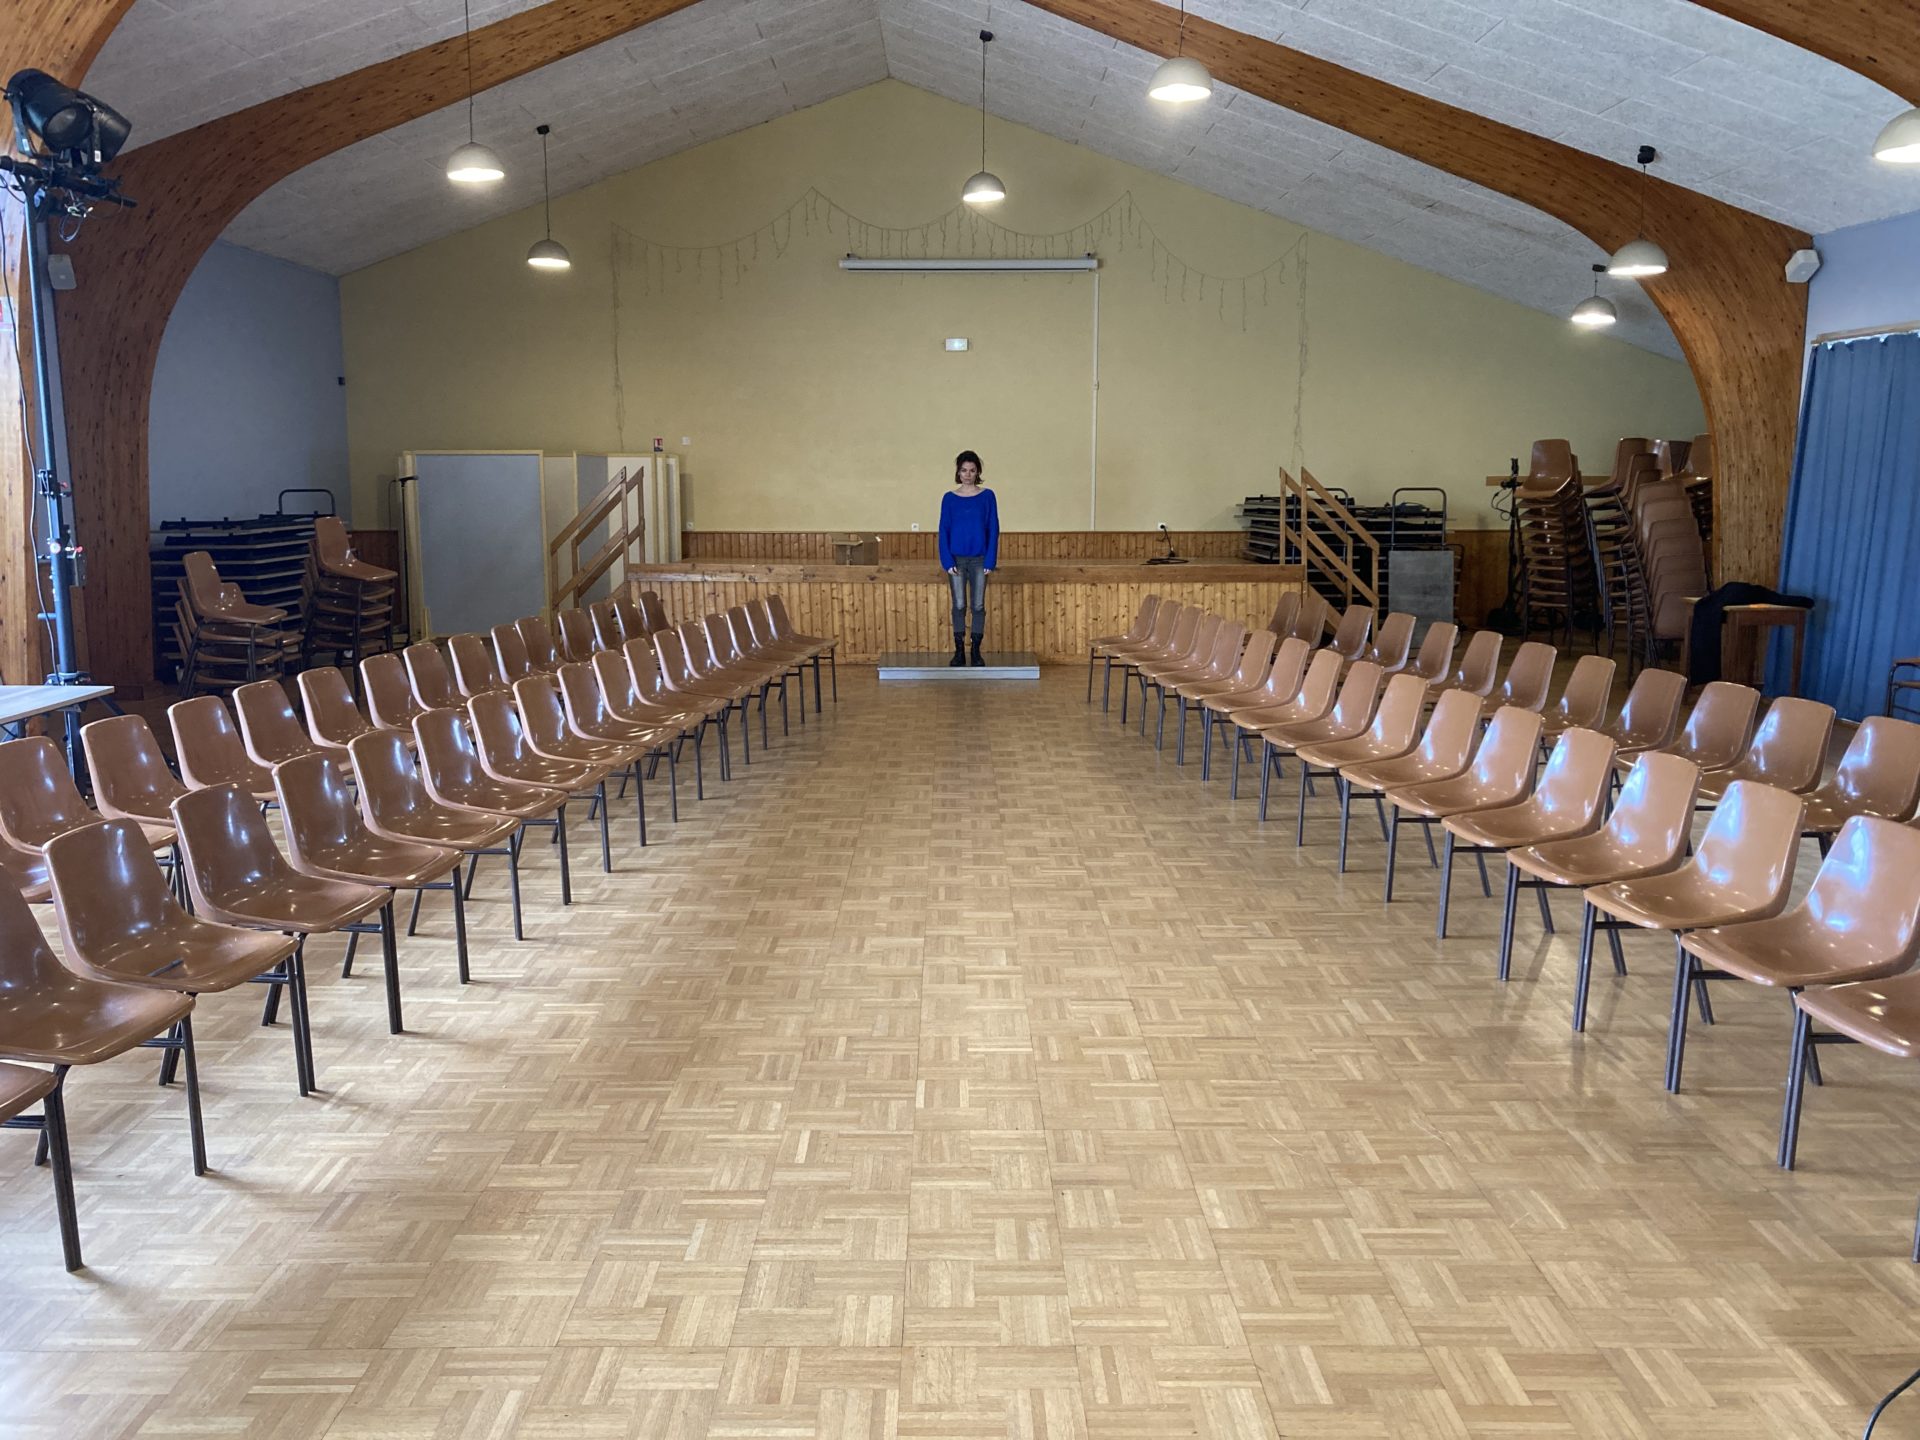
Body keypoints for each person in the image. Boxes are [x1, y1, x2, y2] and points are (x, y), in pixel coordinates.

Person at [937, 450, 1000, 667]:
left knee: (978, 605)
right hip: (956, 559)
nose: (967, 474)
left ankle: (975, 650)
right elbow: (943, 530)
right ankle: (959, 651)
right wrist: (947, 561)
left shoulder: (987, 496)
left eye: (972, 470)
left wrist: (990, 560)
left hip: (980, 559)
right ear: (958, 472)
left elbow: (993, 528)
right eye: (964, 470)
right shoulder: (949, 498)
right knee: (959, 605)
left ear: (977, 472)